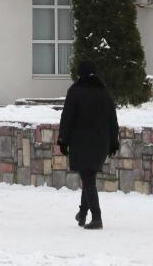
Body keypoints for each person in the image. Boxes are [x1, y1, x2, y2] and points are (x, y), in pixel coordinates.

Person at [57, 59, 120, 230]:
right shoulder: (104, 92)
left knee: (88, 178)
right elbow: (112, 119)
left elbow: (67, 117)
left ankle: (97, 217)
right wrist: (114, 141)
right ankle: (82, 213)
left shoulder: (75, 91)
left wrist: (63, 140)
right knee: (89, 176)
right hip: (101, 142)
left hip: (81, 141)